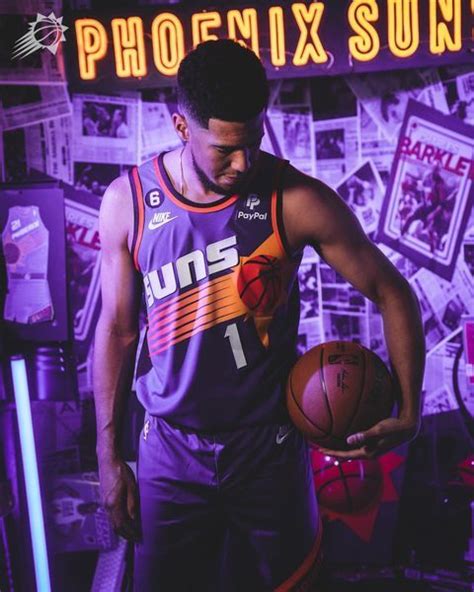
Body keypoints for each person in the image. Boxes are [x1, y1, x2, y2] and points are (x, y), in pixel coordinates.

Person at [93, 40, 425, 591]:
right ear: (181, 126)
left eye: (253, 140)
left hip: (267, 449)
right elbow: (118, 331)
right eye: (225, 148)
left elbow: (392, 291)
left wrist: (410, 411)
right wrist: (108, 456)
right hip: (169, 451)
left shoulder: (293, 199)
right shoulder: (127, 202)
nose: (244, 162)